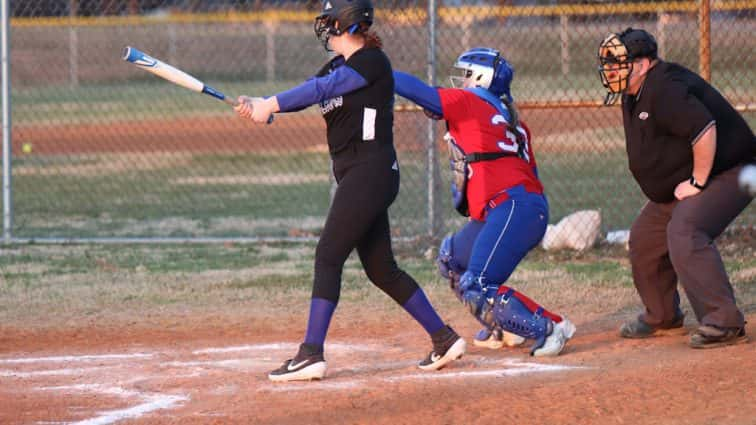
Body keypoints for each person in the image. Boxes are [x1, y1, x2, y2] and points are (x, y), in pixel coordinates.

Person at [234, 0, 465, 382]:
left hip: (369, 172)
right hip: (361, 177)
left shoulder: (373, 62)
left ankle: (311, 353)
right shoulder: (335, 67)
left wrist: (270, 103)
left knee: (328, 255)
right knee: (381, 269)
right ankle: (444, 338)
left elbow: (328, 87)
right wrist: (263, 107)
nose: (325, 29)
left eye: (330, 22)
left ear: (348, 24)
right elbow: (313, 90)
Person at [393, 47, 576, 357]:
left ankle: (550, 326)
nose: (460, 84)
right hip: (512, 207)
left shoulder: (472, 101)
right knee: (452, 259)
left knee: (476, 283)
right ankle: (503, 326)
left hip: (515, 206)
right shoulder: (507, 116)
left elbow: (420, 92)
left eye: (466, 76)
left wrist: (374, 69)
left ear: (482, 79)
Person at [597, 28, 755, 348]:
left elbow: (704, 128)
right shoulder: (635, 91)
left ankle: (724, 321)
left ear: (642, 65)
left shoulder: (664, 86)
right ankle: (663, 316)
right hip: (699, 175)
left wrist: (697, 181)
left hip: (734, 170)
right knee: (645, 238)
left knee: (685, 229)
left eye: (618, 64)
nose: (611, 71)